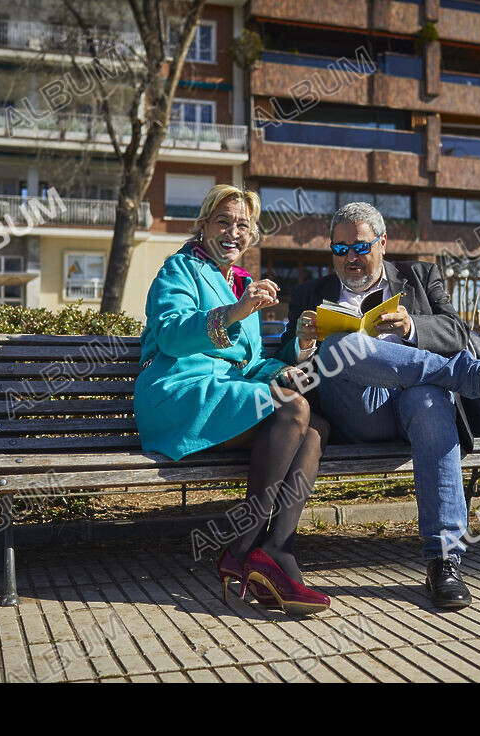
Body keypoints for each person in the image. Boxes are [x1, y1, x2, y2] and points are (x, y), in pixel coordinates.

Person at [276, 202, 480, 609]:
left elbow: (455, 330)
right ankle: (476, 376)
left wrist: (413, 327)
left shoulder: (419, 275)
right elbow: (290, 363)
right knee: (341, 346)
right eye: (339, 249)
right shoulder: (311, 293)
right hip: (359, 411)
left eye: (360, 247)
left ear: (382, 243)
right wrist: (305, 344)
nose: (350, 258)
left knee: (429, 398)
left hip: (416, 403)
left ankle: (444, 560)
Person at [133, 184, 331, 616]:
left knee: (316, 428)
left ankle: (276, 549)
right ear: (203, 225)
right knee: (293, 408)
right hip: (180, 394)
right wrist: (235, 312)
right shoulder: (179, 269)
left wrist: (295, 353)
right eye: (223, 221)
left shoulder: (239, 281)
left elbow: (249, 363)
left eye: (243, 224)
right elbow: (169, 334)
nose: (233, 232)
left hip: (225, 395)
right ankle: (244, 547)